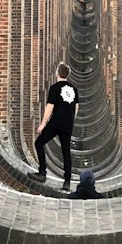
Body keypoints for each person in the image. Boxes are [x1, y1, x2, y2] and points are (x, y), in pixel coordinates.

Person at [31, 62, 79, 190]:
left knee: (39, 143)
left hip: (56, 123)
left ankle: (42, 173)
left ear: (58, 73)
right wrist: (70, 121)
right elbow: (76, 109)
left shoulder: (55, 88)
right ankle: (67, 182)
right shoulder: (74, 89)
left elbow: (49, 108)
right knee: (66, 152)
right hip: (68, 124)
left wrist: (42, 125)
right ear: (67, 75)